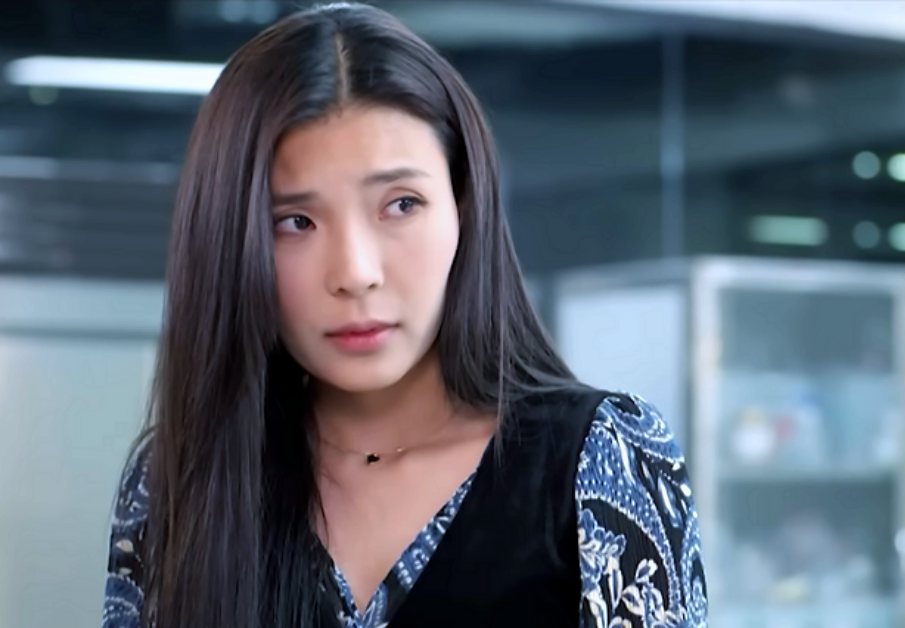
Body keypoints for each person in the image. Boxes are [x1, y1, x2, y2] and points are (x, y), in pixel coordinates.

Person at [100, 3, 707, 627]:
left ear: (464, 208)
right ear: (231, 241)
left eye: (401, 205)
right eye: (295, 222)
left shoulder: (602, 460)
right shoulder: (179, 482)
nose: (355, 272)